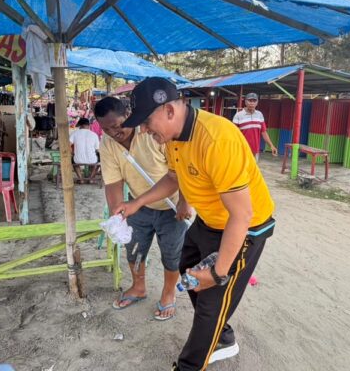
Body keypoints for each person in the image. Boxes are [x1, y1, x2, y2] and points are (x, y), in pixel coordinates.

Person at [115, 78, 275, 371]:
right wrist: (138, 203)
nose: (145, 130)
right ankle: (222, 336)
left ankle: (193, 361)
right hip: (211, 219)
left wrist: (217, 272)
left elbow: (242, 215)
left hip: (245, 228)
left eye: (147, 122)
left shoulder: (217, 138)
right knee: (187, 266)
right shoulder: (173, 137)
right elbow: (175, 178)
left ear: (170, 111)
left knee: (211, 298)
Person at [94, 97, 191, 321]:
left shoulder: (152, 133)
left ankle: (168, 294)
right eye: (106, 129)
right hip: (138, 205)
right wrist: (116, 214)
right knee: (135, 249)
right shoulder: (107, 144)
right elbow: (113, 182)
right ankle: (139, 287)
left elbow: (181, 170)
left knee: (171, 253)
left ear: (128, 114)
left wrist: (185, 200)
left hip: (171, 206)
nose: (113, 132)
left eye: (117, 125)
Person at [232, 93, 278, 161]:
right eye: (250, 100)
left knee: (253, 170)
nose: (252, 103)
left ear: (257, 103)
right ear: (245, 102)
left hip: (255, 151)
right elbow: (233, 134)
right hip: (242, 150)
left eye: (254, 101)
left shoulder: (259, 115)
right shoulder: (238, 115)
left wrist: (271, 146)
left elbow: (264, 132)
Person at [69, 118, 100, 182]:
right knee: (97, 161)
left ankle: (81, 179)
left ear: (80, 125)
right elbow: (97, 149)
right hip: (92, 160)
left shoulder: (74, 133)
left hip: (78, 160)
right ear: (88, 125)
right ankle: (91, 178)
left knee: (73, 161)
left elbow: (68, 145)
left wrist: (72, 153)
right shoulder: (94, 135)